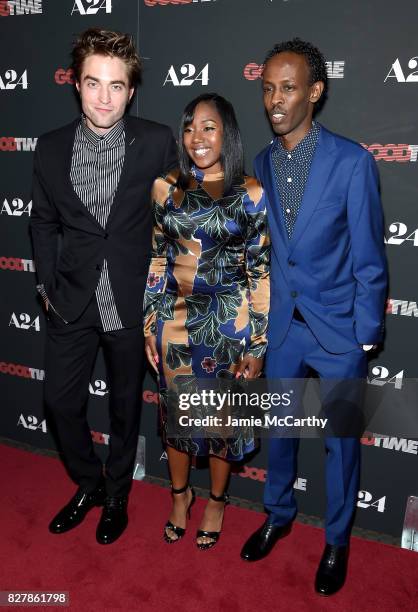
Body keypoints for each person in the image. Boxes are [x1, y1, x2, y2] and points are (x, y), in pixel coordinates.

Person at [240, 39, 387, 595]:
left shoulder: (352, 162)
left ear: (316, 91)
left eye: (289, 87)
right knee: (279, 433)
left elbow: (371, 258)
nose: (276, 99)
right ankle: (277, 514)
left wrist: (364, 335)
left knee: (340, 444)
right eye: (269, 88)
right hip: (282, 330)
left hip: (338, 334)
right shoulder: (261, 162)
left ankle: (337, 541)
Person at [30, 28, 177, 545]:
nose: (104, 98)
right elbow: (43, 224)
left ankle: (117, 494)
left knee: (123, 408)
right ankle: (89, 483)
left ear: (131, 90)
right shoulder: (48, 149)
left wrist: (162, 299)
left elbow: (173, 226)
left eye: (116, 86)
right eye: (94, 84)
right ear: (77, 84)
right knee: (59, 404)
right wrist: (47, 288)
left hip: (132, 302)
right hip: (71, 300)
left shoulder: (158, 141)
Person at [144, 93, 270, 549]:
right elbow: (158, 259)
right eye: (191, 127)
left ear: (227, 132)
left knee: (220, 424)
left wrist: (257, 345)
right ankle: (180, 497)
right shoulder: (166, 186)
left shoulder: (250, 193)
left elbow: (259, 272)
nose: (198, 137)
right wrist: (148, 323)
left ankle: (217, 501)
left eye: (209, 127)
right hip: (173, 321)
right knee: (177, 420)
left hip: (228, 325)